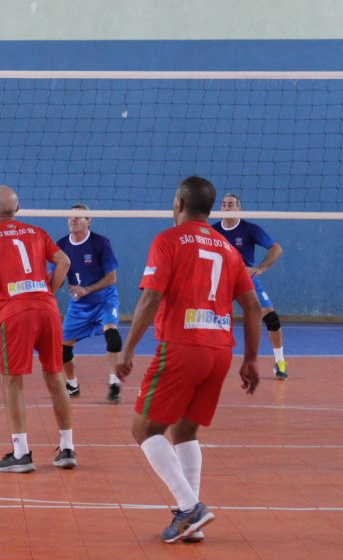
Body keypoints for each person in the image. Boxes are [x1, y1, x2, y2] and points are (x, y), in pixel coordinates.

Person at [116, 176, 261, 543]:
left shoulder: (168, 241)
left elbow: (150, 299)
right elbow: (253, 307)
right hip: (220, 352)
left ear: (178, 203)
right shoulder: (228, 249)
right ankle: (190, 520)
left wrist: (128, 347)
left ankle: (188, 507)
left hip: (183, 346)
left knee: (144, 429)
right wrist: (251, 360)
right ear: (209, 209)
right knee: (184, 430)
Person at [0, 185, 78, 472]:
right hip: (47, 309)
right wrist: (49, 289)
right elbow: (64, 261)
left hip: (15, 311)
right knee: (56, 376)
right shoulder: (37, 232)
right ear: (17, 209)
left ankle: (21, 453)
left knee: (13, 381)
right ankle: (67, 448)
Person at [212, 193, 288, 379]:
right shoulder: (213, 231)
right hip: (222, 281)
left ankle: (280, 362)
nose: (226, 207)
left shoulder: (250, 229)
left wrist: (261, 268)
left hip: (247, 280)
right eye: (223, 204)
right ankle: (207, 362)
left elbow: (276, 248)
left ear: (239, 208)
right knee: (208, 320)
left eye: (230, 204)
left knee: (272, 319)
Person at [55, 203, 123, 403]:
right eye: (70, 217)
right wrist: (55, 283)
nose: (73, 220)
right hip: (79, 304)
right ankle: (73, 385)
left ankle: (114, 383)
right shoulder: (61, 245)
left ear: (88, 221)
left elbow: (112, 277)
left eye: (78, 217)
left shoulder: (100, 242)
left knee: (112, 336)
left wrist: (88, 289)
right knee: (62, 349)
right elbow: (56, 275)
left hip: (104, 298)